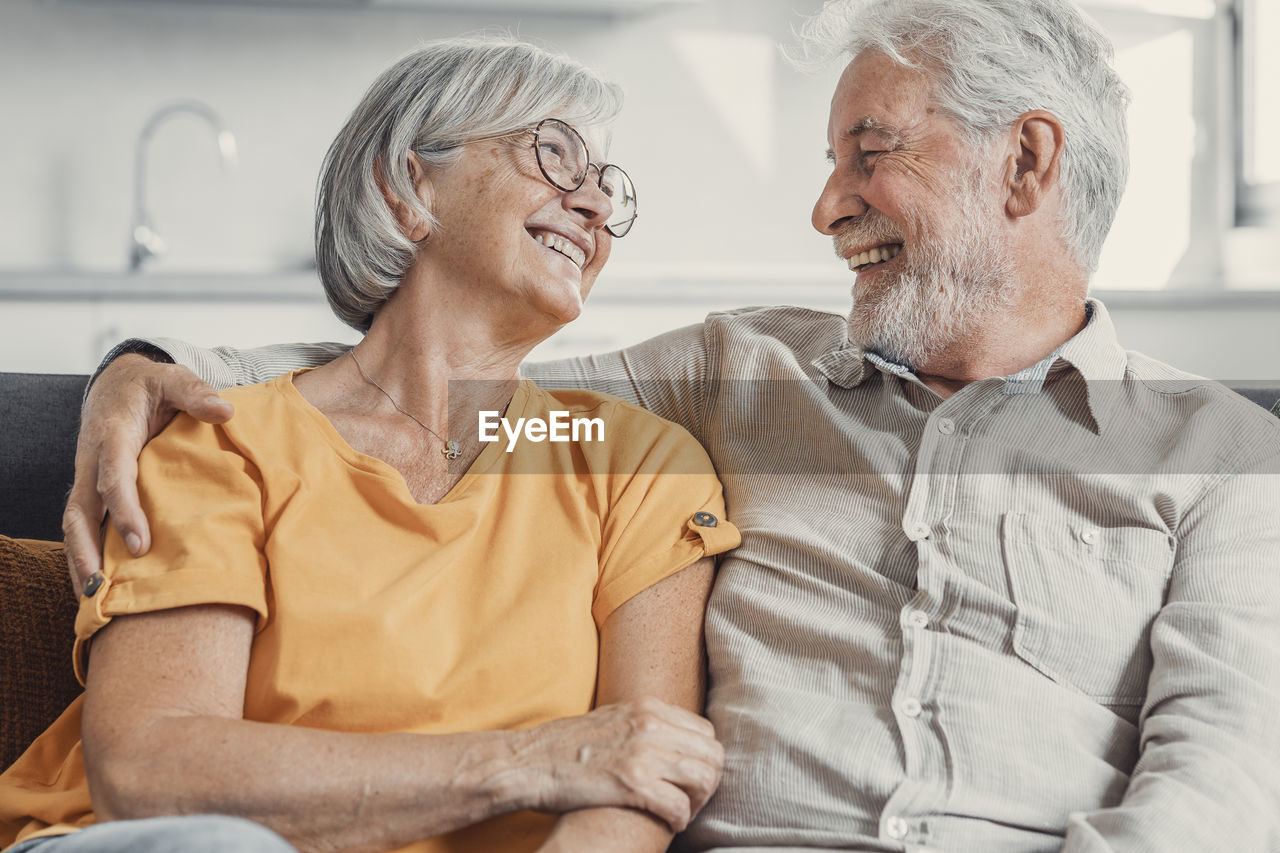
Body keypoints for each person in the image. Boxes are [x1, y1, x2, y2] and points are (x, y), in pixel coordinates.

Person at [45, 0, 1280, 850]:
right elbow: (442, 388)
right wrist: (153, 366)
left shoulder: (1225, 458)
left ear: (1024, 164)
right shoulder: (725, 384)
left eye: (868, 153)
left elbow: (1215, 786)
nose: (822, 205)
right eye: (829, 159)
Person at [0, 36, 744, 853]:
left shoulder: (638, 465)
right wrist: (530, 760)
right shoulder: (225, 445)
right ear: (406, 187)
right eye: (555, 155)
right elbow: (149, 772)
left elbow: (642, 777)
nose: (595, 205)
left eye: (606, 186)